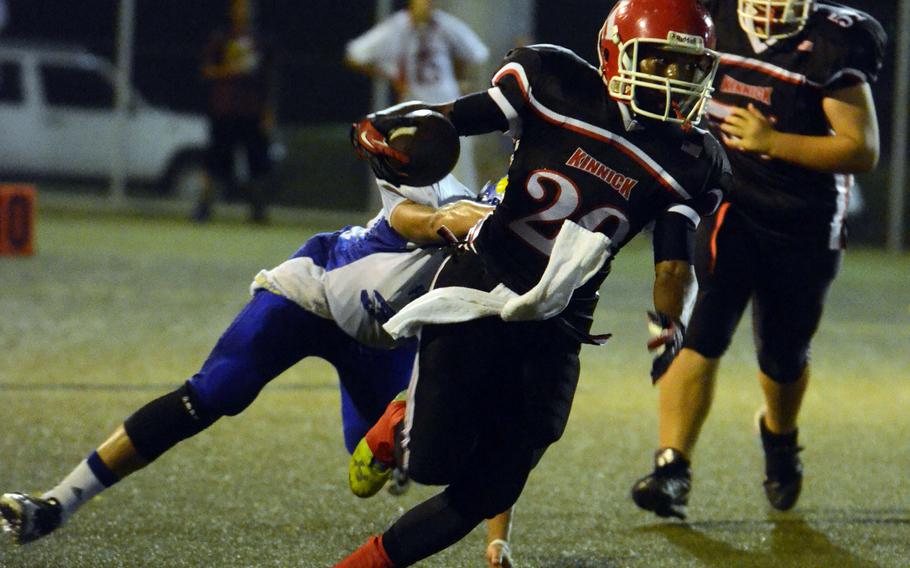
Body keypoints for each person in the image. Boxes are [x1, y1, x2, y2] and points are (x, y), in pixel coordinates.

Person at [336, 1, 730, 565]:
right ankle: (398, 422)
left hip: (560, 320)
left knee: (492, 488)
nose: (675, 81)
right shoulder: (554, 81)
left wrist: (671, 322)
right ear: (616, 55)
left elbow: (674, 262)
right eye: (662, 63)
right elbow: (452, 119)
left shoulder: (694, 158)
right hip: (483, 281)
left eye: (688, 69)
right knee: (430, 464)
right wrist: (402, 133)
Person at [0, 173, 495, 545]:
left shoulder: (529, 251)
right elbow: (405, 207)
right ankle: (57, 503)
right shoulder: (452, 188)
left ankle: (397, 429)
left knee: (379, 466)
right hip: (312, 293)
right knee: (209, 394)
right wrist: (437, 221)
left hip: (381, 334)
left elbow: (520, 415)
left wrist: (498, 541)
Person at [631, 0, 885, 520]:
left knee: (783, 354)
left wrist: (773, 141)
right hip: (727, 201)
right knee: (696, 328)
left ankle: (779, 436)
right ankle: (671, 467)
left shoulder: (831, 39)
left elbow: (861, 148)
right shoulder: (710, 17)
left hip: (804, 217)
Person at [345, 0, 489, 189]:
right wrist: (392, 76)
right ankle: (407, 215)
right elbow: (355, 54)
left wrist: (460, 78)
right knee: (409, 166)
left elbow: (476, 53)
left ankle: (467, 213)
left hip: (448, 105)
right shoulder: (398, 26)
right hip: (413, 109)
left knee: (460, 169)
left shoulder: (444, 24)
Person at [194, 0, 275, 224]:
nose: (243, 12)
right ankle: (204, 207)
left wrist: (267, 110)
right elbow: (207, 70)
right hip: (224, 109)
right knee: (215, 160)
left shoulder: (260, 41)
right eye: (239, 8)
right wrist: (231, 70)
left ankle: (258, 210)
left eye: (246, 8)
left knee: (256, 161)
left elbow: (267, 79)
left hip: (251, 110)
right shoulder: (221, 38)